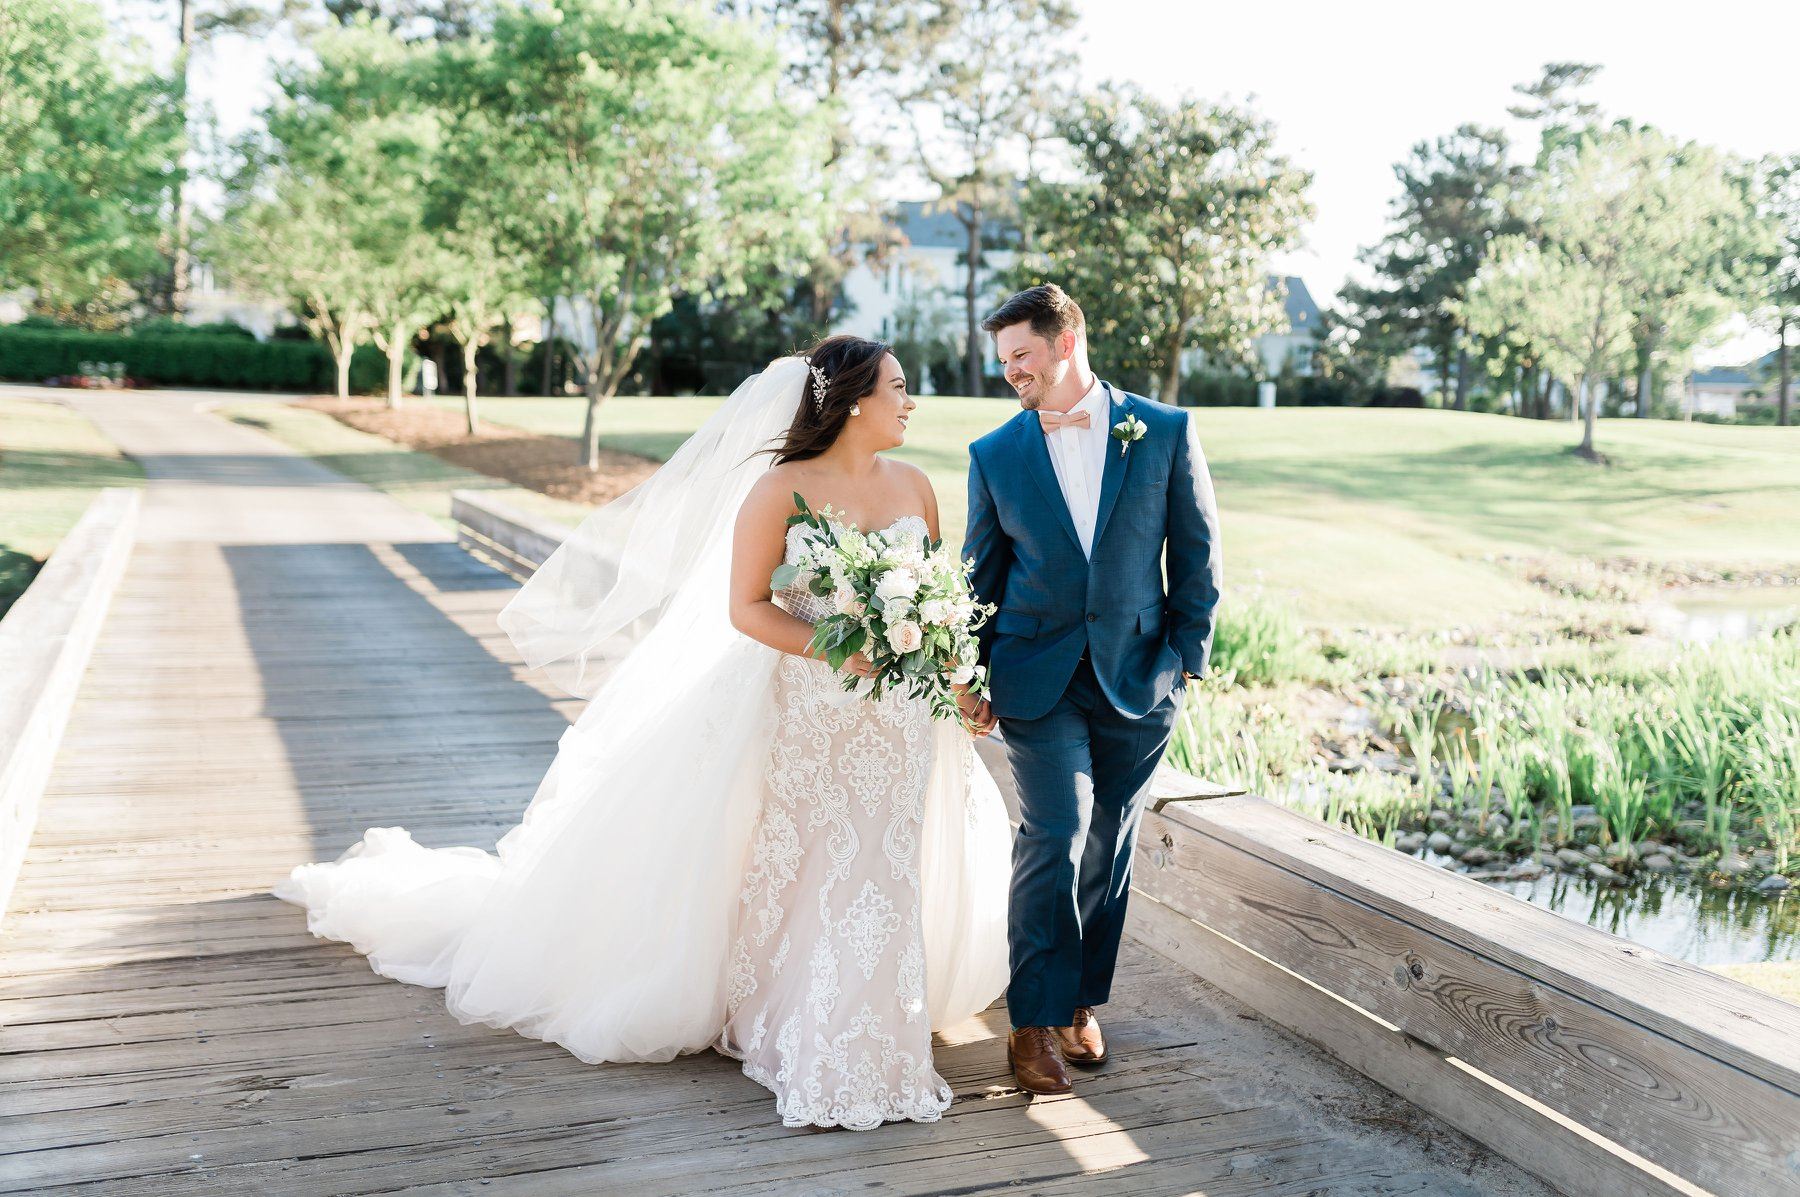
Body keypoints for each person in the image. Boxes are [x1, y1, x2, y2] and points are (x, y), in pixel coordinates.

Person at [274, 337, 1013, 1131]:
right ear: (855, 400)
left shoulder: (916, 487)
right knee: (811, 857)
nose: (912, 403)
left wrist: (960, 678)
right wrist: (846, 649)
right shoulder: (779, 490)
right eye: (900, 388)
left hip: (897, 721)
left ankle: (870, 1016)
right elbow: (748, 608)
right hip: (810, 712)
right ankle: (788, 1013)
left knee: (884, 861)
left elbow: (937, 601)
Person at [962, 284, 1222, 1096]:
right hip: (1034, 677)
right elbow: (980, 575)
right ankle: (1030, 1025)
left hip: (1139, 676)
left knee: (1110, 842)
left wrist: (1187, 654)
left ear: (1066, 337)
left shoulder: (1165, 431)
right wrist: (969, 673)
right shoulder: (994, 454)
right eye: (1004, 361)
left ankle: (1078, 1002)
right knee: (1058, 829)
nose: (1011, 374)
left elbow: (1198, 548)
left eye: (1022, 356)